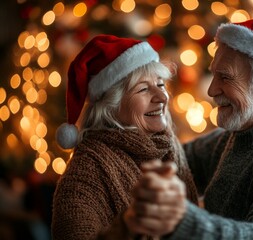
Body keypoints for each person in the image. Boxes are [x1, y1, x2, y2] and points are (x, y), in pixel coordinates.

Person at [124, 19, 253, 239]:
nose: (211, 90)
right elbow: (172, 161)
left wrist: (181, 221)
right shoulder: (238, 135)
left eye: (225, 77)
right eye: (214, 74)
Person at [51, 35, 198, 240]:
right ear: (111, 107)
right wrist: (132, 224)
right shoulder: (85, 174)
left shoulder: (167, 145)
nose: (162, 97)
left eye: (161, 84)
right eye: (144, 89)